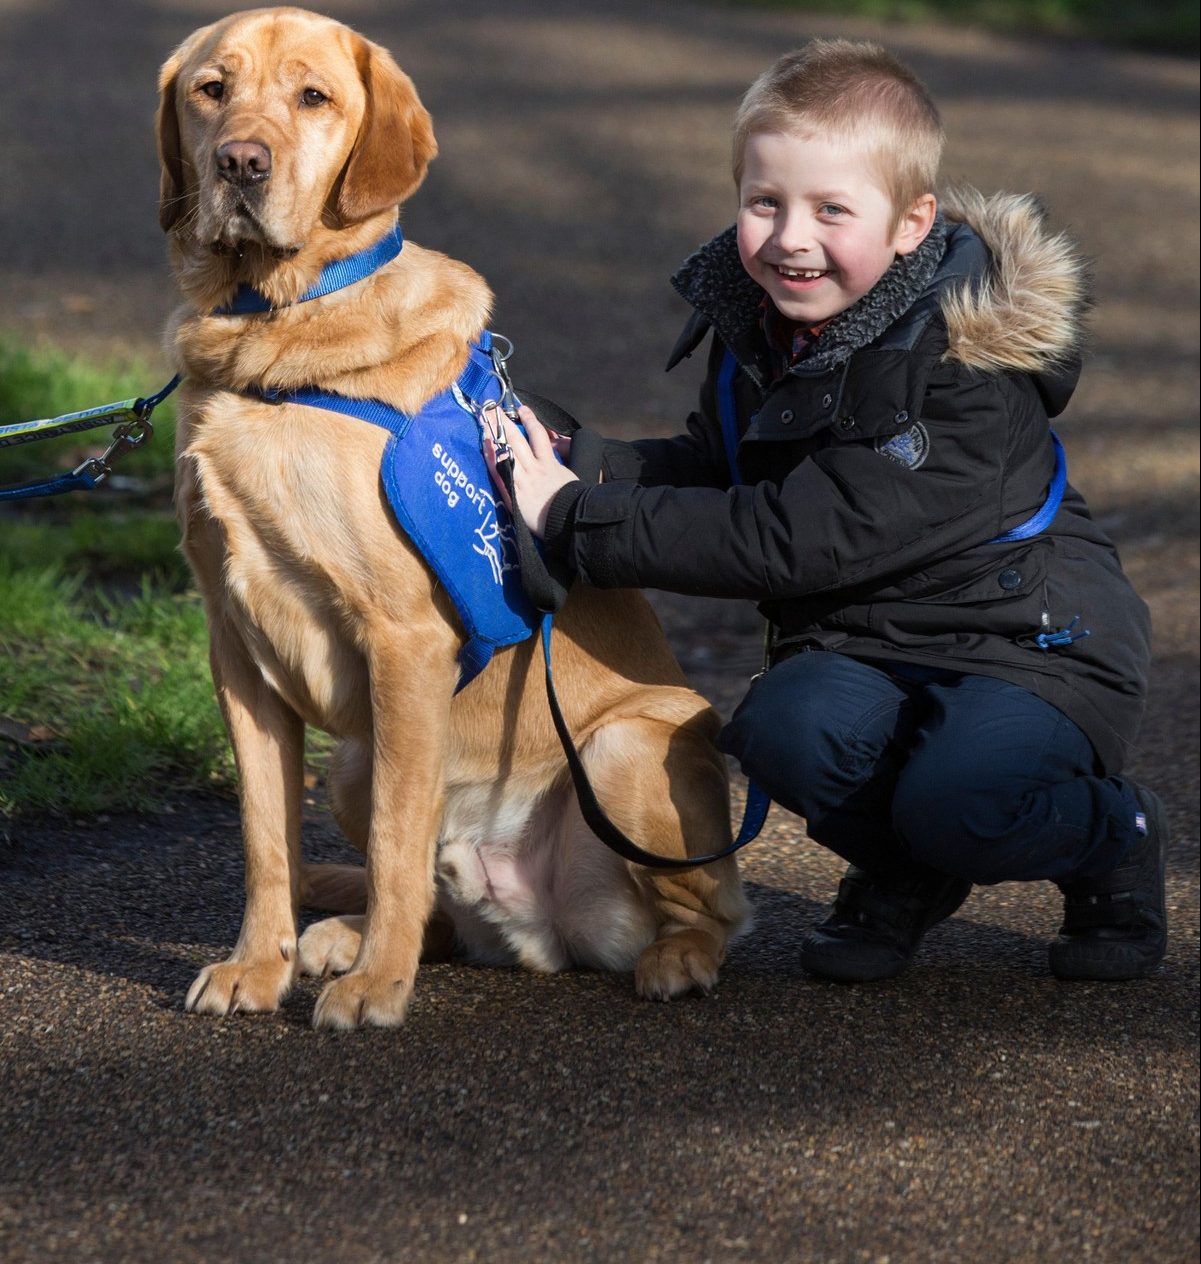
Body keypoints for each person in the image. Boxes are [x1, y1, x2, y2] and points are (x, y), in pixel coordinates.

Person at [483, 39, 1167, 984]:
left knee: (965, 800)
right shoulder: (773, 327)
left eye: (830, 210)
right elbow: (719, 467)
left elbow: (794, 537)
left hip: (1027, 641)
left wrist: (573, 521)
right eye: (764, 203)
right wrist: (576, 463)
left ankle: (1112, 836)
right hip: (870, 632)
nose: (789, 237)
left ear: (909, 225)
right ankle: (906, 872)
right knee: (780, 734)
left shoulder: (961, 370)